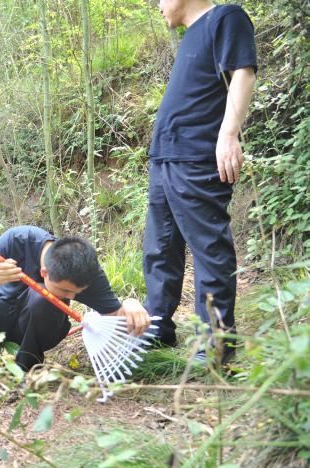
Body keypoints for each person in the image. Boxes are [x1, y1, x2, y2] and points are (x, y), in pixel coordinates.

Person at [143, 0, 256, 363]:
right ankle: (158, 328)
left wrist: (228, 134)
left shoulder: (225, 17)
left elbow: (243, 72)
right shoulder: (191, 36)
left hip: (196, 158)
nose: (158, 6)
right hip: (165, 159)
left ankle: (218, 344)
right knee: (160, 250)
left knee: (209, 250)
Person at [0, 226, 152, 392]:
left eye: (77, 293)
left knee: (43, 298)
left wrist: (131, 304)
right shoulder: (17, 240)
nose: (72, 297)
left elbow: (116, 315)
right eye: (66, 291)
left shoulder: (86, 273)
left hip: (43, 327)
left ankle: (25, 369)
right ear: (44, 272)